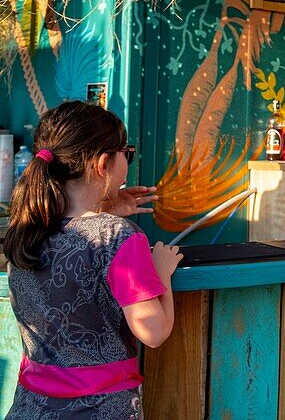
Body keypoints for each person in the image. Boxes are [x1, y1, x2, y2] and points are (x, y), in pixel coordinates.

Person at [4, 101, 181, 420]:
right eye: (127, 152)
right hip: (98, 408)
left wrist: (105, 211)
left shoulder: (25, 229)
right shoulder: (120, 237)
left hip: (31, 407)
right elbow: (153, 332)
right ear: (103, 163)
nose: (128, 159)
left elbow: (71, 243)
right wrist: (161, 272)